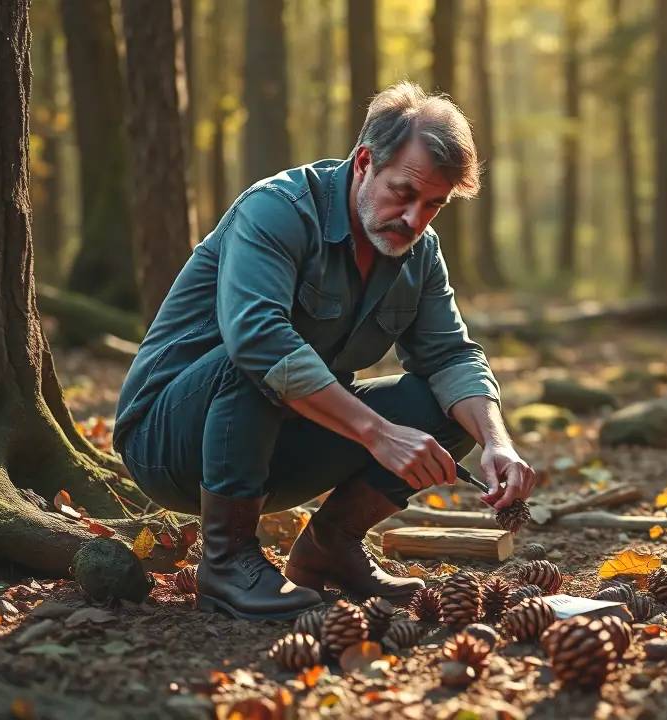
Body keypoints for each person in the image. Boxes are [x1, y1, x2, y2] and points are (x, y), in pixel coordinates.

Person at [111, 81, 536, 622]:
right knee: (264, 360)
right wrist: (378, 434)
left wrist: (498, 442)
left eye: (434, 205)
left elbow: (452, 355)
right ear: (364, 161)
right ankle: (225, 562)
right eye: (403, 193)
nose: (415, 220)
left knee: (439, 405)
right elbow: (259, 340)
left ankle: (329, 550)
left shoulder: (418, 251)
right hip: (169, 441)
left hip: (276, 445)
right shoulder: (277, 210)